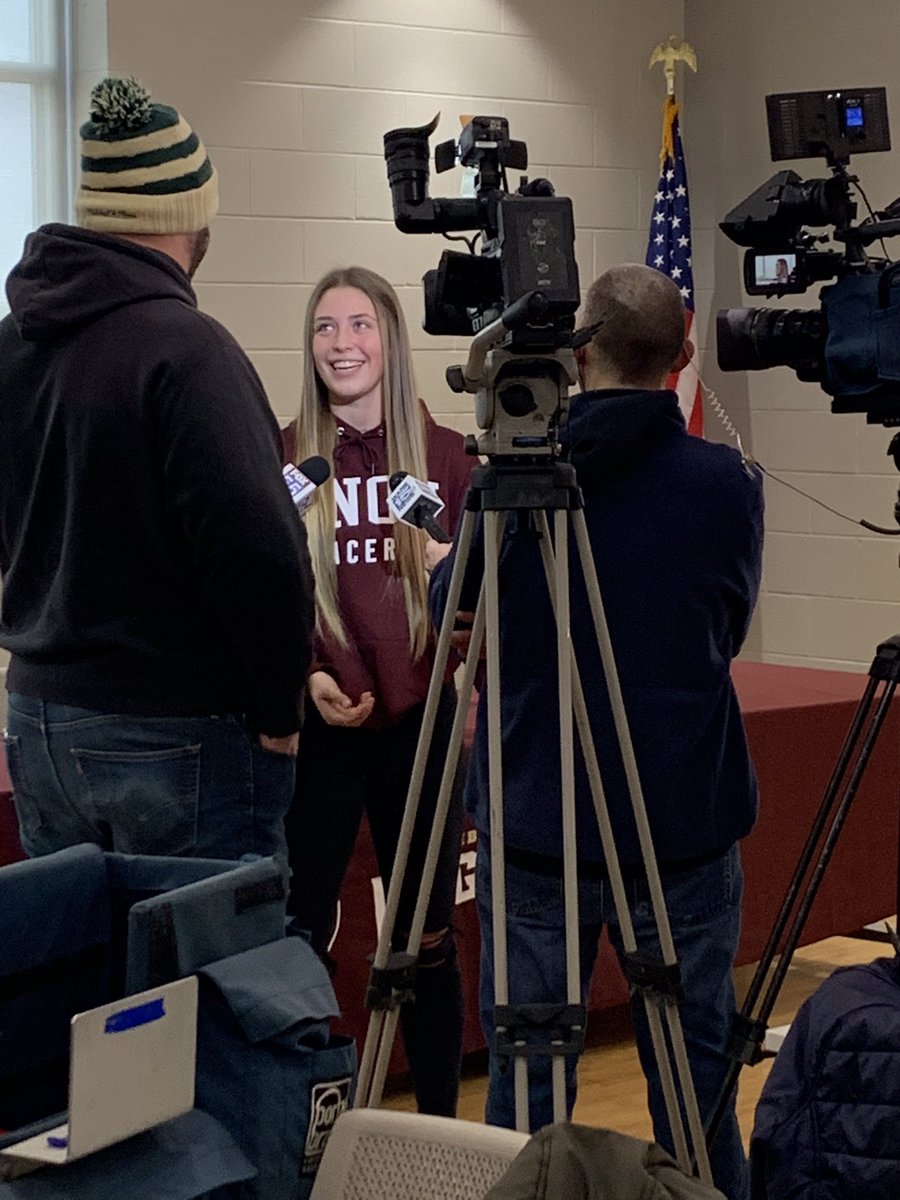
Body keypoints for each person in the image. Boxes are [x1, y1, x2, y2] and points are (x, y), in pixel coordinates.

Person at [429, 264, 764, 1199]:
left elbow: (455, 610)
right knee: (699, 1093)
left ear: (578, 355)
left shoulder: (516, 478)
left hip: (540, 821)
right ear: (684, 355)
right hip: (682, 826)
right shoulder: (726, 485)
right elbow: (724, 627)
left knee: (528, 1103)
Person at [0, 77, 314, 862]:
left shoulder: (11, 344)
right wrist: (280, 706)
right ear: (188, 214)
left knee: (88, 975)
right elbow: (261, 553)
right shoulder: (189, 351)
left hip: (38, 719)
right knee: (210, 973)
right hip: (175, 732)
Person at [283, 266, 474, 1117]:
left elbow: (486, 606)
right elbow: (258, 592)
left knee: (426, 940)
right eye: (325, 327)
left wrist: (459, 612)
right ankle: (303, 1118)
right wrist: (307, 676)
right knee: (300, 933)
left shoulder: (443, 458)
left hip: (420, 731)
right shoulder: (290, 457)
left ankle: (438, 1122)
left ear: (390, 342)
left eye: (359, 325)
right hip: (321, 731)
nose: (341, 343)